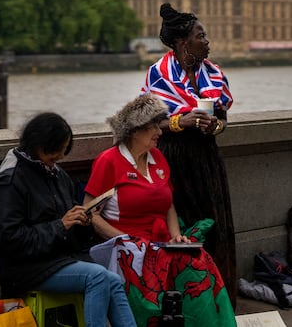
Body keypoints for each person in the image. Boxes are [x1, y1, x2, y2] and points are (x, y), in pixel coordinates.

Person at [85, 93, 236, 326]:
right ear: (135, 131)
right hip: (127, 247)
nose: (160, 131)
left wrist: (177, 236)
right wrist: (125, 240)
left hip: (160, 241)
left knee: (199, 262)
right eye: (154, 127)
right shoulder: (109, 161)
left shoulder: (158, 158)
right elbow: (90, 213)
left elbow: (169, 206)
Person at [0, 113, 136, 327]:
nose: (61, 156)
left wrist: (83, 222)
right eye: (55, 151)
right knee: (98, 277)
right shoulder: (11, 179)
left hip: (58, 258)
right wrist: (60, 225)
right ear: (37, 144)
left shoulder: (56, 174)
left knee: (113, 280)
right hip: (24, 268)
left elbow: (70, 229)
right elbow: (8, 239)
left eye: (63, 150)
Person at [140, 2, 237, 305]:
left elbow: (222, 119)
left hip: (207, 161)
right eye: (202, 36)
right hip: (173, 160)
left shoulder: (214, 74)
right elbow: (147, 122)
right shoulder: (158, 75)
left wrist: (213, 126)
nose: (208, 42)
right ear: (183, 42)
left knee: (216, 226)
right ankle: (184, 299)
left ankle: (219, 297)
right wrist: (180, 121)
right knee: (181, 229)